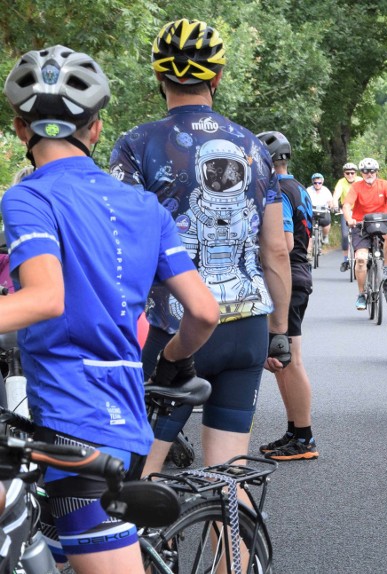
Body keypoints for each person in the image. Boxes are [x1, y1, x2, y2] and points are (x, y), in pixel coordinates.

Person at [1, 45, 219, 573]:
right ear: (95, 130)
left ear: (19, 129)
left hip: (71, 420)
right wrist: (172, 358)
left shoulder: (28, 197)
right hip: (110, 413)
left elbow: (44, 297)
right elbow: (204, 312)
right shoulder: (143, 205)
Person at [109, 18, 292, 478]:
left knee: (136, 484)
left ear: (158, 77)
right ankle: (233, 547)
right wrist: (279, 330)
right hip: (247, 327)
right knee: (228, 482)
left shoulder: (136, 144)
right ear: (217, 77)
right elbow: (275, 250)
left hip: (175, 327)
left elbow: (122, 249)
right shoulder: (255, 147)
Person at [256, 131, 319, 460]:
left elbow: (284, 243)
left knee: (290, 359)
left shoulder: (277, 190)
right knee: (284, 360)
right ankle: (295, 431)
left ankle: (305, 436)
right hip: (299, 273)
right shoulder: (299, 187)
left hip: (287, 277)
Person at [342, 157, 387, 310]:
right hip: (361, 225)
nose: (369, 173)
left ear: (376, 172)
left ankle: (386, 266)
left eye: (372, 171)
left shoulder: (384, 185)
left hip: (382, 222)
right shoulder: (357, 187)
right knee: (360, 259)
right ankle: (361, 294)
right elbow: (347, 205)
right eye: (365, 171)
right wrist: (349, 218)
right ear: (362, 173)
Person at [332, 162, 361, 271]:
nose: (350, 175)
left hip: (359, 211)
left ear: (356, 173)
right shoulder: (341, 182)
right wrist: (334, 204)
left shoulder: (360, 181)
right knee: (345, 236)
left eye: (352, 173)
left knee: (363, 234)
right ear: (344, 174)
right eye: (347, 173)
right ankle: (345, 259)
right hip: (346, 211)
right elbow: (336, 195)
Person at [308, 172, 334, 244]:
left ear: (322, 182)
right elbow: (304, 200)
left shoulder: (326, 190)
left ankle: (325, 236)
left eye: (319, 183)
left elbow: (330, 201)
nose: (317, 184)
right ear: (313, 182)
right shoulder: (309, 190)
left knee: (327, 222)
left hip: (323, 211)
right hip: (312, 211)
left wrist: (331, 206)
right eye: (315, 183)